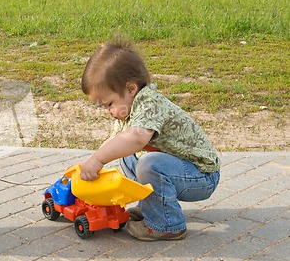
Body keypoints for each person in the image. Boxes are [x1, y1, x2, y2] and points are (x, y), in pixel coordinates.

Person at [79, 37, 220, 241]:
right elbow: (115, 142)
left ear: (131, 89)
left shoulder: (150, 103)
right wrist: (92, 162)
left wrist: (99, 159)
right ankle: (151, 207)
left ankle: (167, 224)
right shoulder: (126, 110)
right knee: (127, 156)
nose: (107, 111)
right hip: (178, 169)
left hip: (201, 175)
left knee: (149, 163)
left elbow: (136, 138)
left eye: (109, 104)